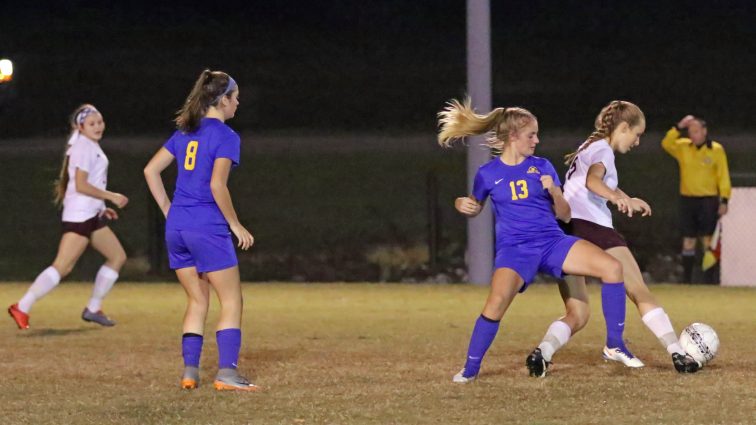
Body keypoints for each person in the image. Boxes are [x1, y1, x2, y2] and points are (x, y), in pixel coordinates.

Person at [438, 98, 628, 381]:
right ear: (513, 137)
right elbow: (474, 206)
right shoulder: (487, 174)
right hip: (515, 250)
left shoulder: (542, 166)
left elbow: (564, 216)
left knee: (612, 268)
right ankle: (469, 370)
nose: (537, 140)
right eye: (531, 135)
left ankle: (615, 344)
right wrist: (460, 203)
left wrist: (554, 192)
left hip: (552, 242)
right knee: (496, 302)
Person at [562, 100, 700, 373]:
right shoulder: (603, 149)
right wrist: (615, 197)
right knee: (639, 291)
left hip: (567, 228)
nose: (637, 142)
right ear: (623, 127)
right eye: (637, 135)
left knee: (577, 312)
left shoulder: (588, 147)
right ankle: (677, 352)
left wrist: (625, 197)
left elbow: (591, 183)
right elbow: (593, 182)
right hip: (593, 227)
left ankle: (542, 351)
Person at [143, 69, 257, 392]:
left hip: (178, 226)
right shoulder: (226, 136)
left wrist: (169, 210)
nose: (238, 103)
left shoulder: (184, 131)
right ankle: (227, 374)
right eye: (235, 98)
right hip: (206, 226)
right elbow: (217, 185)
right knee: (232, 300)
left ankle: (190, 373)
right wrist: (235, 224)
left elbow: (150, 171)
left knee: (197, 301)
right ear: (223, 100)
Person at [8, 104, 128, 329]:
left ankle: (93, 308)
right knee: (62, 266)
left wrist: (101, 207)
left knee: (117, 256)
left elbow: (90, 182)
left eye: (100, 122)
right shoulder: (84, 147)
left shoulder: (88, 145)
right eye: (92, 123)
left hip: (91, 214)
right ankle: (21, 306)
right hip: (80, 216)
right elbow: (82, 185)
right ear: (80, 127)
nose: (98, 126)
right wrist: (111, 196)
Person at [662, 115, 731, 283]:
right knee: (688, 239)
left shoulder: (716, 149)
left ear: (704, 131)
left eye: (696, 131)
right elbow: (666, 144)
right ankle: (687, 280)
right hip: (688, 200)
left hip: (708, 200)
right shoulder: (683, 147)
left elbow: (723, 176)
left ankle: (710, 280)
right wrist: (678, 127)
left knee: (707, 240)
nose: (692, 135)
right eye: (690, 131)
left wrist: (724, 200)